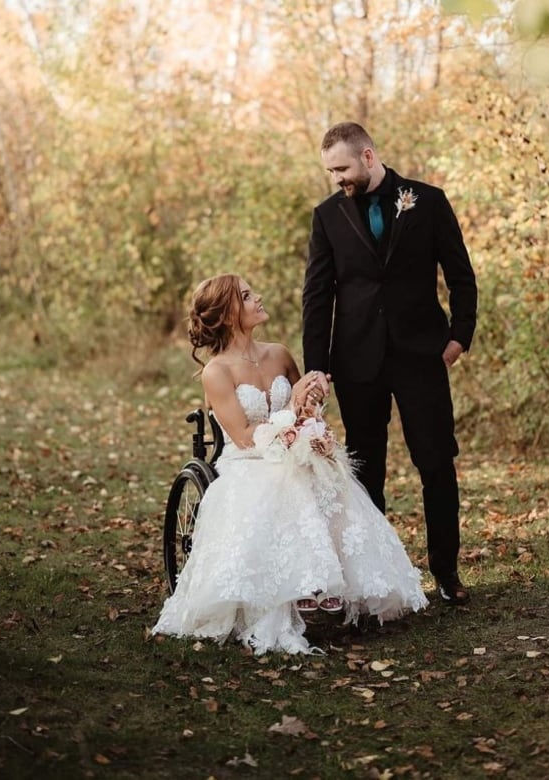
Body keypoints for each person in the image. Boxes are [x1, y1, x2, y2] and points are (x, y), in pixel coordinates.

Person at [152, 273, 427, 655]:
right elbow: (245, 435)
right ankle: (306, 582)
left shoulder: (279, 354)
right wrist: (291, 420)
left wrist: (310, 400)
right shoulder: (218, 371)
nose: (258, 297)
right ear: (230, 312)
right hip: (249, 458)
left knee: (328, 474)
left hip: (292, 445)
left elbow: (305, 408)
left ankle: (333, 580)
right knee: (283, 480)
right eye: (247, 296)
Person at [302, 122, 477, 606]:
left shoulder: (428, 201)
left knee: (437, 462)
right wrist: (316, 367)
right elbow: (317, 296)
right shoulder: (327, 217)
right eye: (329, 170)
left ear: (369, 156)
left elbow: (461, 275)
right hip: (357, 360)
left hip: (422, 355)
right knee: (366, 469)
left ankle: (446, 572)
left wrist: (460, 336)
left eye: (341, 167)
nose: (336, 178)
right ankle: (376, 578)